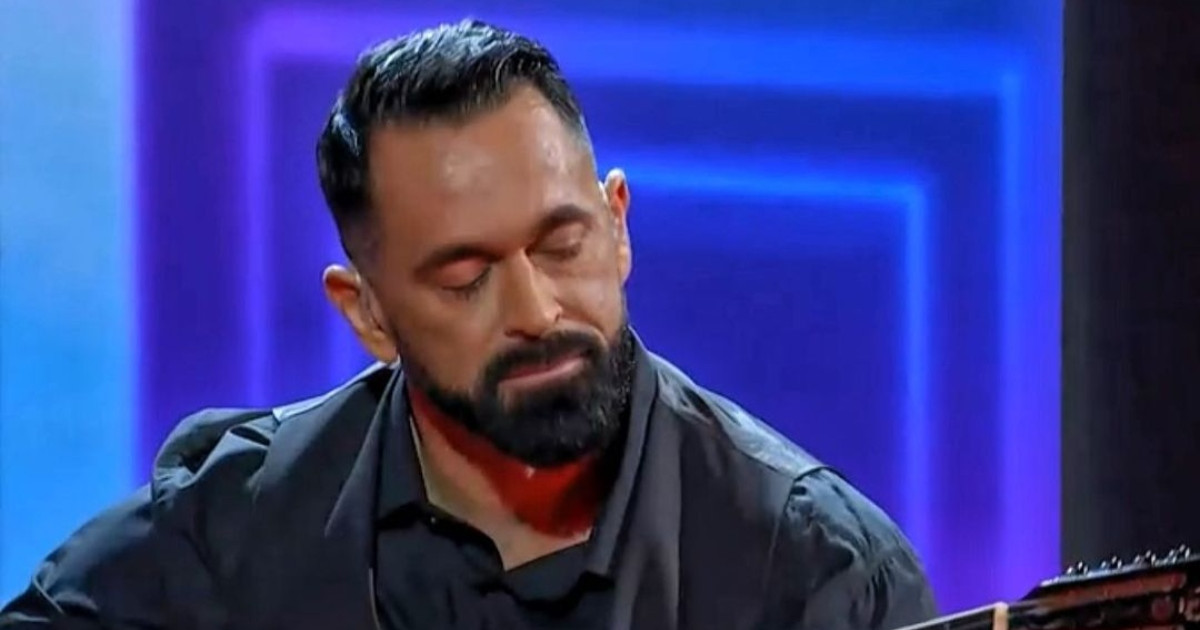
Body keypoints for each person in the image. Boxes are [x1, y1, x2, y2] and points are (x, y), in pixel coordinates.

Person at [0, 19, 938, 630]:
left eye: (561, 244)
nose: (535, 311)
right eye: (465, 278)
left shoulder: (816, 571)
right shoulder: (235, 525)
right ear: (367, 312)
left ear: (617, 224)